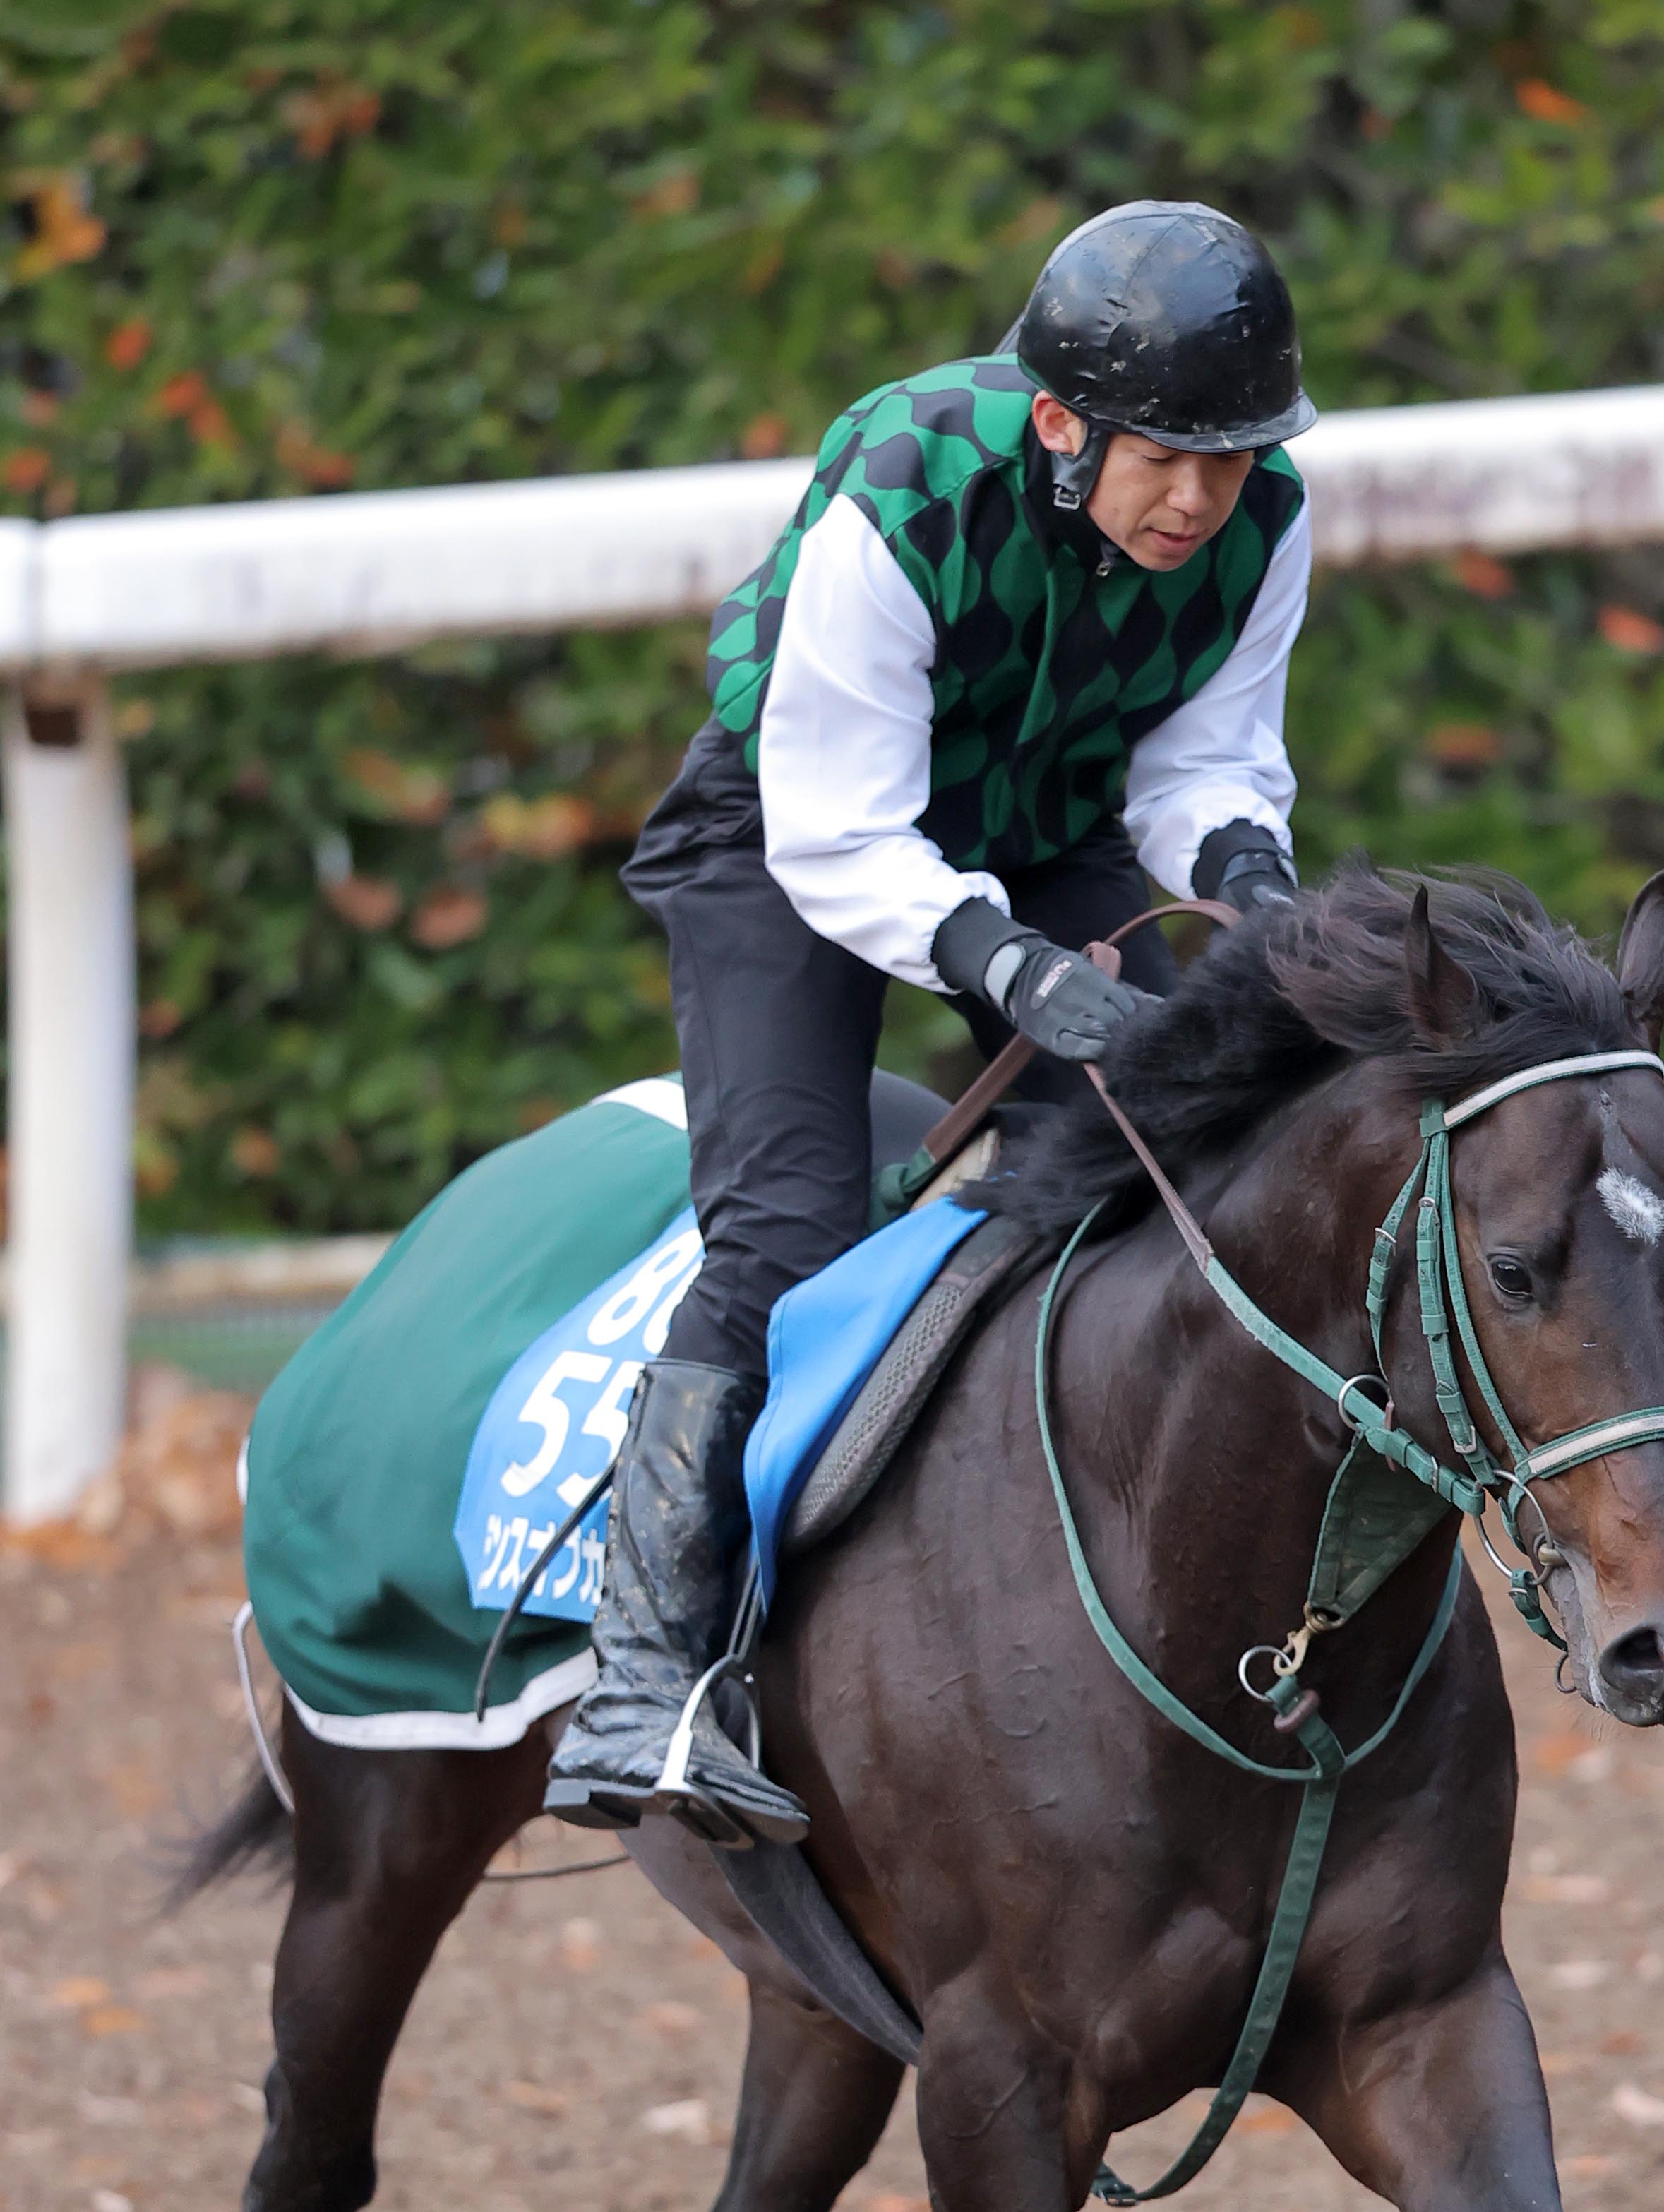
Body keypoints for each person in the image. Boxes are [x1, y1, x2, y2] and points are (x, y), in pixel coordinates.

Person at [544, 199, 1316, 1846]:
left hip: (1042, 823)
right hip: (783, 835)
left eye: (1231, 460)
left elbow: (1198, 765)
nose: (1198, 501)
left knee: (1185, 1167)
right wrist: (1014, 967)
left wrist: (1250, 870)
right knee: (784, 1231)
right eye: (1164, 458)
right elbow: (841, 829)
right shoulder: (900, 495)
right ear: (1060, 422)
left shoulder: (1270, 521)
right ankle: (643, 1681)